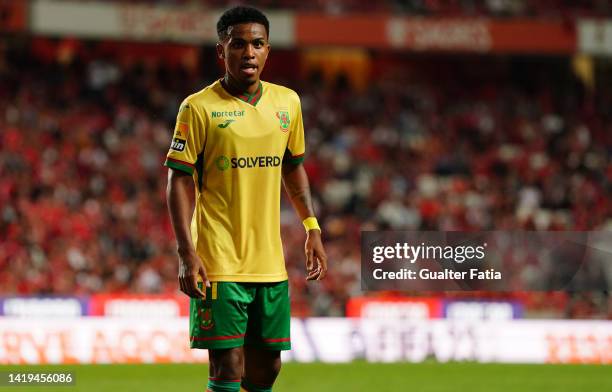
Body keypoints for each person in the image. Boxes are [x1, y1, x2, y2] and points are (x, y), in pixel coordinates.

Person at [164, 6, 328, 392]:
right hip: (219, 260)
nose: (249, 53)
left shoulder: (288, 103)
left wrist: (311, 227)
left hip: (269, 262)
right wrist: (187, 252)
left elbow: (292, 167)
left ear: (268, 50)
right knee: (227, 365)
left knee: (267, 368)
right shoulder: (198, 107)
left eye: (257, 44)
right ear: (222, 51)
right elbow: (178, 180)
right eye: (238, 44)